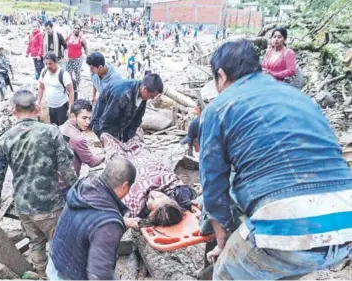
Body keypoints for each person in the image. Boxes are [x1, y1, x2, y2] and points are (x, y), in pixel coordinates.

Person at [199, 39, 352, 280]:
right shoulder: (298, 97)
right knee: (280, 267)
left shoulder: (218, 108)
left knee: (227, 273)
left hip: (288, 224)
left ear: (221, 75)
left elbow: (213, 189)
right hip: (345, 224)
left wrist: (223, 242)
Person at [0, 89, 77, 279]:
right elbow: (66, 169)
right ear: (37, 108)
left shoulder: (5, 138)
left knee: (36, 243)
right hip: (50, 205)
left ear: (12, 110)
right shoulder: (51, 132)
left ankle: (42, 275)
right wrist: (79, 195)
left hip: (23, 206)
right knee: (61, 245)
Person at [46, 157, 136, 280]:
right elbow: (99, 275)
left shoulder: (85, 186)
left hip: (56, 262)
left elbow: (87, 220)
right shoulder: (108, 225)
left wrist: (122, 220)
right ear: (125, 186)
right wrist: (113, 223)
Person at [92, 74, 164, 143]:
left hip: (119, 123)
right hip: (102, 124)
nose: (151, 99)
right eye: (151, 96)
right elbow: (106, 120)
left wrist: (127, 140)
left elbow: (136, 120)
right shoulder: (121, 95)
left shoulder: (142, 93)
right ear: (144, 89)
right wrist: (106, 139)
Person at [59, 99, 104, 182]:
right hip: (66, 182)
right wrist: (103, 156)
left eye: (90, 118)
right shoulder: (78, 138)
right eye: (84, 118)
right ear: (72, 116)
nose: (88, 122)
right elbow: (92, 161)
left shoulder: (62, 127)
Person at [38, 52, 74, 126]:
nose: (48, 66)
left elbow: (71, 91)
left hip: (62, 106)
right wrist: (38, 102)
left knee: (64, 129)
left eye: (50, 63)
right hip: (51, 106)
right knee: (54, 128)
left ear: (56, 62)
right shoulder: (44, 72)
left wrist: (70, 108)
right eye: (46, 64)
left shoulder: (63, 74)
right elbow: (41, 87)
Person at [66, 24, 88, 91]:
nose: (76, 29)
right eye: (75, 28)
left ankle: (77, 86)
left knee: (77, 73)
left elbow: (86, 48)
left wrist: (88, 58)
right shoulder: (70, 36)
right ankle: (70, 86)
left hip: (77, 59)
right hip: (69, 59)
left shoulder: (82, 38)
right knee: (68, 73)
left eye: (78, 28)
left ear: (80, 30)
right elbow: (64, 42)